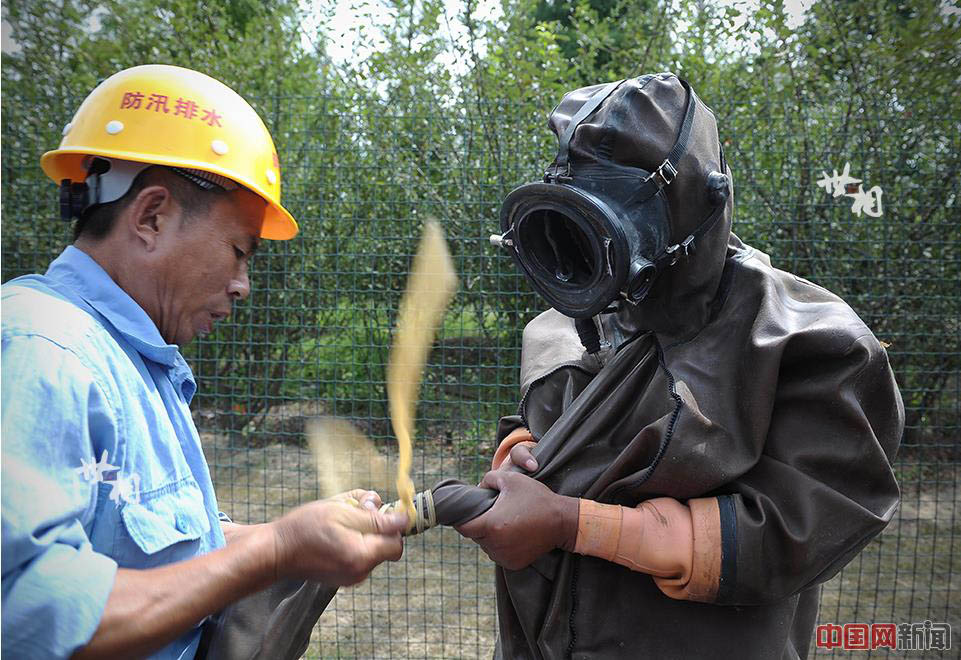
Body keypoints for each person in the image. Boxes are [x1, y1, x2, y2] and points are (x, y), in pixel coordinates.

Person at [457, 73, 902, 658]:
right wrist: (520, 449)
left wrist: (570, 522)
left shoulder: (804, 342)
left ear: (699, 199)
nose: (593, 259)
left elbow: (795, 528)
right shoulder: (575, 318)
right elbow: (542, 422)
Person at [1, 64, 408, 659]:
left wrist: (286, 537)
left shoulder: (133, 365)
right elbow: (25, 614)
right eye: (239, 252)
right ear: (151, 217)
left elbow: (157, 549)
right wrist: (270, 553)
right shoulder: (42, 352)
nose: (242, 285)